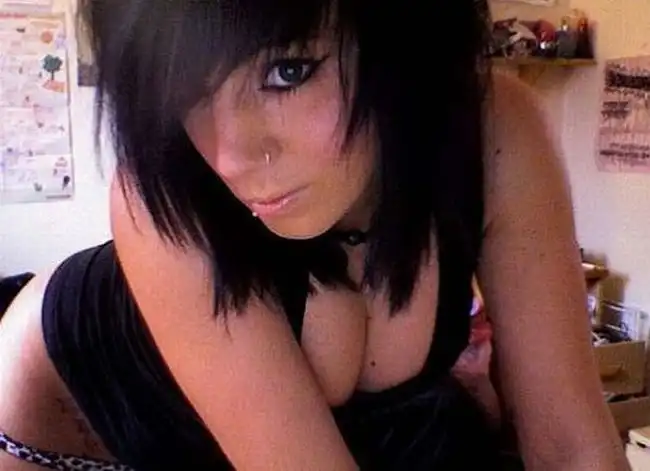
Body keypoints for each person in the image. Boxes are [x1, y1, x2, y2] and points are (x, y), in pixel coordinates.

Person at [0, 0, 628, 470]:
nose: (229, 157)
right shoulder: (160, 193)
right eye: (183, 89)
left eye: (288, 71)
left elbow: (572, 448)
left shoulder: (495, 136)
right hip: (63, 432)